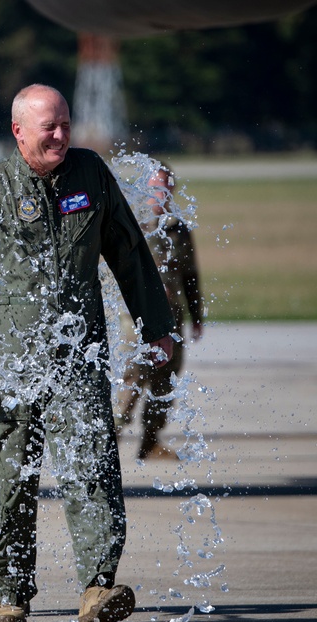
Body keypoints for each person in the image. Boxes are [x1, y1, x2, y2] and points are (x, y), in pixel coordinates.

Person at [0, 84, 176, 622]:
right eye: (50, 127)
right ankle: (12, 591)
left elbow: (128, 251)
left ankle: (98, 587)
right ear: (18, 131)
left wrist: (156, 325)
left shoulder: (90, 174)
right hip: (8, 359)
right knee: (8, 475)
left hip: (77, 354)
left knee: (91, 463)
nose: (62, 135)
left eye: (66, 123)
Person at [115, 165, 204, 460]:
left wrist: (196, 316)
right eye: (155, 188)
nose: (160, 195)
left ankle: (150, 442)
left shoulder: (178, 230)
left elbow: (190, 277)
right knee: (133, 378)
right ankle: (108, 440)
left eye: (165, 189)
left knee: (166, 380)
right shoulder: (134, 226)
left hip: (173, 319)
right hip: (136, 321)